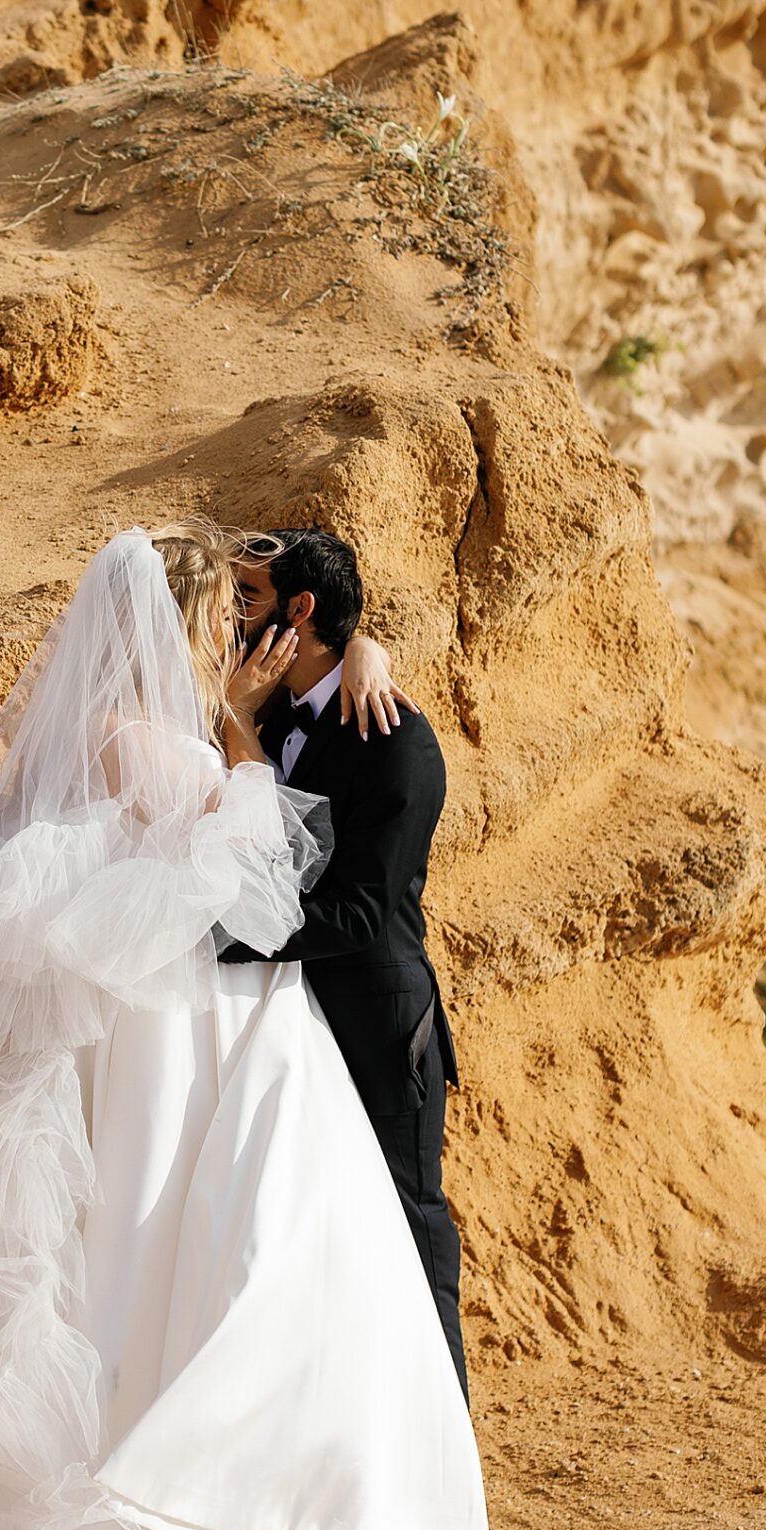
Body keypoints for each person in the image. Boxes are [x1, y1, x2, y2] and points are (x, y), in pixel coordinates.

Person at [0, 523, 490, 1530]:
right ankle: (225, 1482)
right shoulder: (150, 739)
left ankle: (324, 1482)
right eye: (224, 614)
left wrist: (337, 662)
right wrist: (236, 730)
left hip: (215, 1016)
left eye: (255, 614)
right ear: (180, 623)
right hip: (194, 1023)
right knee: (230, 1237)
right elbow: (250, 860)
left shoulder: (181, 726)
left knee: (228, 1231)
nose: (241, 631)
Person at [225, 529, 471, 1403]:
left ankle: (443, 1450)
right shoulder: (259, 708)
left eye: (246, 598)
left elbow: (364, 911)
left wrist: (220, 932)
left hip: (376, 1022)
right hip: (287, 1024)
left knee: (410, 1229)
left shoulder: (395, 737)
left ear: (299, 611)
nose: (229, 614)